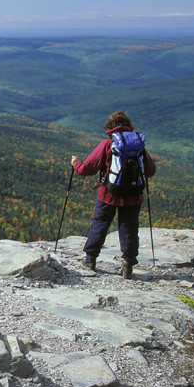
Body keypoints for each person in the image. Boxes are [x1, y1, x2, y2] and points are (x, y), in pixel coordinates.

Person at [71, 111, 156, 279]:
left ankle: (90, 260)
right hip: (133, 195)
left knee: (100, 223)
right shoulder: (138, 146)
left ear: (110, 128)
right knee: (129, 227)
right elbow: (150, 171)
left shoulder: (107, 145)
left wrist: (76, 164)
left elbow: (86, 169)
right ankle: (128, 264)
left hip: (108, 193)